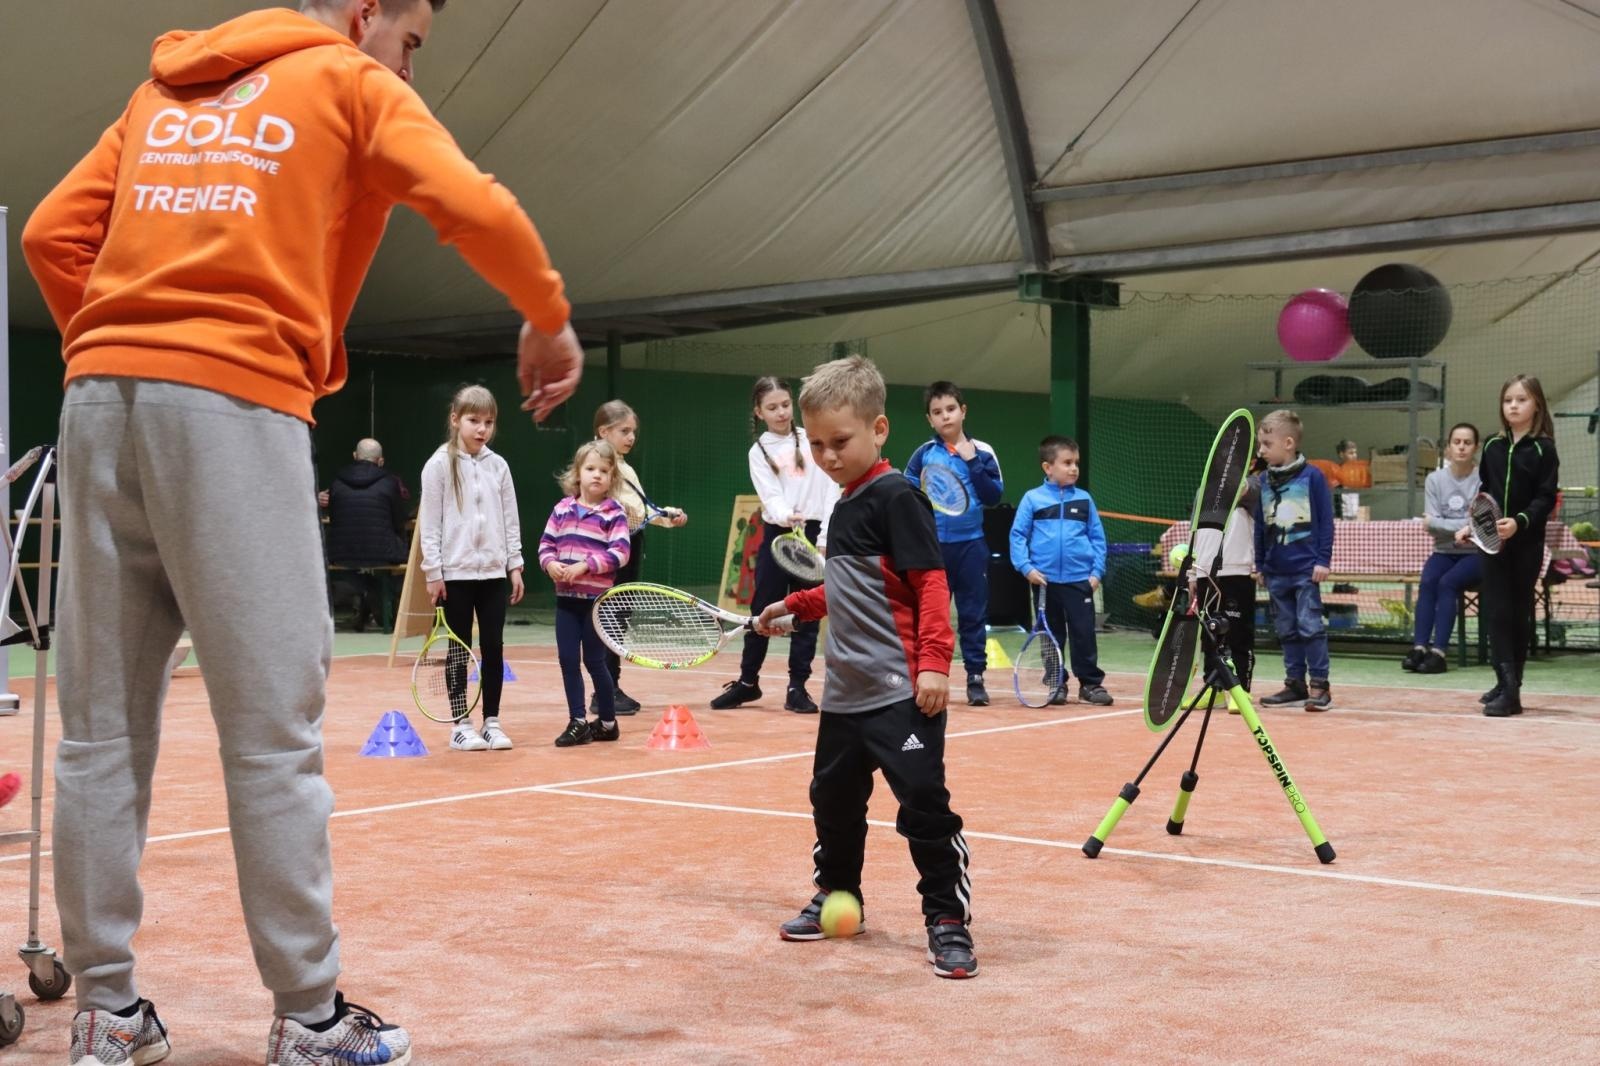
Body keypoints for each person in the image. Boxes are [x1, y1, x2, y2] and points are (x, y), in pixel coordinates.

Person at [20, 0, 585, 1059]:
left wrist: (118, 338)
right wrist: (547, 314)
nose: (409, 66)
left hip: (95, 405)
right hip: (234, 404)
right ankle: (311, 1016)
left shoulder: (162, 89)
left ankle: (106, 1010)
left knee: (99, 731)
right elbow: (474, 204)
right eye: (411, 39)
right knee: (273, 734)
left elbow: (50, 234)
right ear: (368, 10)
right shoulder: (350, 83)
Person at [754, 355, 976, 980]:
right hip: (844, 698)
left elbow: (931, 586)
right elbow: (850, 589)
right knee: (833, 801)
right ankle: (835, 893)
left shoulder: (896, 496)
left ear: (878, 429)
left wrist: (933, 664)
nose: (826, 456)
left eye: (840, 441)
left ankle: (947, 920)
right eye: (816, 444)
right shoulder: (845, 505)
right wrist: (794, 606)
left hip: (902, 691)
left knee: (924, 806)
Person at [709, 377, 838, 713]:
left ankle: (797, 688)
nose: (781, 412)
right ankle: (747, 683)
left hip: (812, 534)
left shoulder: (811, 440)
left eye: (784, 404)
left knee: (806, 611)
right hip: (777, 534)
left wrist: (823, 536)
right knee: (762, 610)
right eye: (772, 407)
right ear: (758, 411)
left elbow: (829, 489)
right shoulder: (759, 451)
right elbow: (771, 495)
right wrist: (785, 516)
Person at [420, 386, 525, 752]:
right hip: (455, 575)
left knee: (493, 647)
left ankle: (492, 721)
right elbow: (430, 524)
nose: (482, 429)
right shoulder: (437, 465)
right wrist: (433, 571)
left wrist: (515, 564)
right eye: (473, 421)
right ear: (455, 420)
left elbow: (510, 519)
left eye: (489, 422)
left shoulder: (499, 466)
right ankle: (460, 724)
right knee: (458, 650)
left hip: (494, 574)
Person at [1459, 376, 1560, 716]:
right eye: (1508, 400)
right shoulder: (1491, 446)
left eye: (1521, 399)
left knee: (1517, 612)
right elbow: (1484, 493)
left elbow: (1545, 498)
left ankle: (1513, 688)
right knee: (1498, 611)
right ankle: (1504, 682)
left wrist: (1519, 522)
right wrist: (1472, 526)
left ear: (1537, 406)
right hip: (1491, 545)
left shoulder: (1544, 449)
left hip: (1526, 544)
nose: (1513, 406)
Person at [905, 382, 1005, 706]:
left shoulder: (984, 451)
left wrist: (973, 462)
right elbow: (908, 493)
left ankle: (975, 678)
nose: (945, 416)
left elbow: (993, 497)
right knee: (929, 615)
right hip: (932, 549)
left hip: (971, 547)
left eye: (950, 409)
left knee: (972, 614)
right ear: (929, 419)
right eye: (937, 412)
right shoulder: (923, 454)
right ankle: (924, 674)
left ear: (963, 411)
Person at [592, 400, 687, 715]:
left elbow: (639, 507)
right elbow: (627, 507)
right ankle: (603, 692)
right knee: (609, 618)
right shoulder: (599, 464)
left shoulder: (622, 464)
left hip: (628, 545)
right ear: (604, 432)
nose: (631, 437)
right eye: (624, 431)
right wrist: (663, 515)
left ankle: (611, 687)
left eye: (633, 431)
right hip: (608, 551)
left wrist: (666, 516)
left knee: (618, 618)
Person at [1008, 436, 1113, 706]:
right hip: (1044, 582)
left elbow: (1098, 539)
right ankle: (1056, 683)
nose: (1074, 468)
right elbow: (1018, 535)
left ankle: (1090, 685)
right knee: (1050, 634)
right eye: (1067, 463)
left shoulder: (1085, 500)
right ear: (1048, 467)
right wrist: (1026, 568)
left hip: (1080, 581)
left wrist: (1096, 573)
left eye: (1076, 463)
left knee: (1084, 633)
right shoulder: (1032, 499)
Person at [539, 440, 631, 746]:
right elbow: (545, 545)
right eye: (590, 468)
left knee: (594, 662)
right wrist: (550, 563)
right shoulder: (562, 509)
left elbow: (620, 554)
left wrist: (584, 567)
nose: (596, 475)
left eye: (604, 471)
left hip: (595, 604)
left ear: (612, 477)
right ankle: (578, 721)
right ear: (577, 473)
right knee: (568, 659)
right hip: (566, 603)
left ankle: (607, 722)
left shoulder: (614, 512)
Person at [1254, 410, 1335, 711]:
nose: (1260, 450)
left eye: (1265, 444)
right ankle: (1295, 683)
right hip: (1276, 570)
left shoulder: (1313, 477)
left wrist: (1322, 559)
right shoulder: (1263, 480)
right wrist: (1260, 564)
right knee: (1286, 629)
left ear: (1288, 443)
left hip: (1305, 570)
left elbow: (1326, 521)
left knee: (1310, 626)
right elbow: (1261, 525)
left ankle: (1319, 686)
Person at [1403, 423, 1482, 675]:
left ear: (1475, 447)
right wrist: (1457, 525)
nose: (1461, 447)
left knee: (1447, 583)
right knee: (1428, 581)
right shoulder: (1434, 479)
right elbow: (1430, 526)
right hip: (1443, 551)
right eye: (1456, 442)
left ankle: (1438, 653)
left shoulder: (1484, 480)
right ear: (1448, 447)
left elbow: (1480, 524)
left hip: (1476, 554)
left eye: (1467, 442)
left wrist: (1440, 523)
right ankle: (1419, 648)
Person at [1189, 457, 1263, 709]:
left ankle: (1240, 690)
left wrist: (1234, 472)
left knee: (1238, 634)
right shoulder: (1203, 490)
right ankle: (1214, 688)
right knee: (1209, 636)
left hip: (1237, 571)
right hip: (1204, 573)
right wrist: (1191, 574)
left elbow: (1244, 488)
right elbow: (1195, 530)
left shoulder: (1251, 486)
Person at [322, 438, 410, 631]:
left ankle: (368, 595)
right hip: (384, 552)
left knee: (353, 569)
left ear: (355, 456)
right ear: (381, 461)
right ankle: (376, 594)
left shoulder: (337, 482)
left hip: (341, 554)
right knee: (400, 565)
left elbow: (334, 519)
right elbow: (399, 520)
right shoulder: (389, 483)